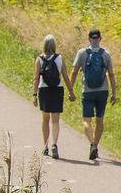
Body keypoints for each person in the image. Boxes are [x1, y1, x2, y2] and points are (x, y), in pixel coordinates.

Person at [66, 28, 116, 162]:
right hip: (103, 91)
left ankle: (92, 144)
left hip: (87, 91)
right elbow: (111, 74)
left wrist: (70, 90)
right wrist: (114, 93)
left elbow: (75, 72)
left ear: (89, 39)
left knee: (86, 120)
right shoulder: (106, 54)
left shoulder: (82, 53)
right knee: (100, 120)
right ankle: (95, 146)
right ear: (100, 39)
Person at [34, 36, 65, 159]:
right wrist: (71, 92)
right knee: (55, 120)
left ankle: (45, 146)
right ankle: (54, 144)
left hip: (44, 90)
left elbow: (36, 78)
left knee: (45, 119)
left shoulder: (39, 59)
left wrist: (34, 95)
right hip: (57, 89)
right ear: (54, 45)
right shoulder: (59, 58)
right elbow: (65, 76)